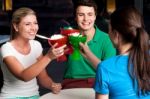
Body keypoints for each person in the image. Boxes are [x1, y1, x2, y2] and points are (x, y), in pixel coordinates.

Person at [80, 7, 150, 99]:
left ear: (116, 35)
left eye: (109, 29)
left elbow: (109, 71)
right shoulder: (146, 57)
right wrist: (89, 54)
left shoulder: (105, 68)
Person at [0, 7, 66, 99]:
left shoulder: (36, 45)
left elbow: (43, 77)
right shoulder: (6, 48)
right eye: (27, 24)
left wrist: (52, 85)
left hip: (34, 96)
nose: (33, 28)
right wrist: (48, 57)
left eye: (35, 23)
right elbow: (24, 76)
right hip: (11, 96)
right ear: (16, 26)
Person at [62, 0, 116, 89]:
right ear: (75, 17)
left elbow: (108, 73)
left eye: (90, 14)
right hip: (70, 83)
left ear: (95, 16)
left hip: (97, 83)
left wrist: (87, 53)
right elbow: (58, 58)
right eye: (81, 15)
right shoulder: (68, 36)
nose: (86, 19)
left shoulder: (107, 39)